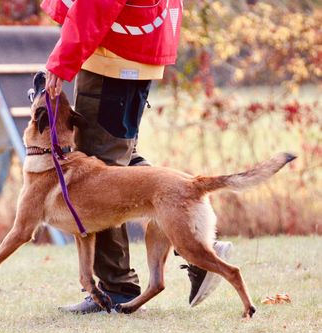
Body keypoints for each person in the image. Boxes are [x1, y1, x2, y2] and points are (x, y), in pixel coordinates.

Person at [41, 0, 232, 313]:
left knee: (95, 178)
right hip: (135, 56)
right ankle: (196, 246)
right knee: (120, 160)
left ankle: (117, 288)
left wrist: (61, 63)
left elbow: (95, 5)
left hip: (111, 60)